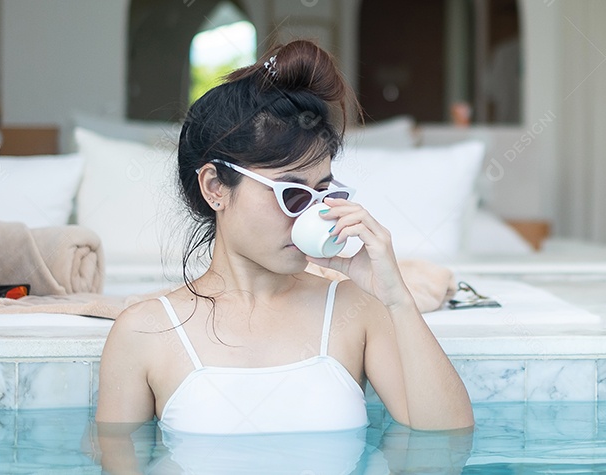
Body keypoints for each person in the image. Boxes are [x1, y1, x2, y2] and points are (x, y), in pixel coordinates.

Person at [93, 39, 474, 467]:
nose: (312, 214)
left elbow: (446, 442)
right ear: (215, 188)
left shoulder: (354, 309)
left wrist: (397, 298)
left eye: (323, 192)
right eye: (292, 194)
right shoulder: (145, 331)